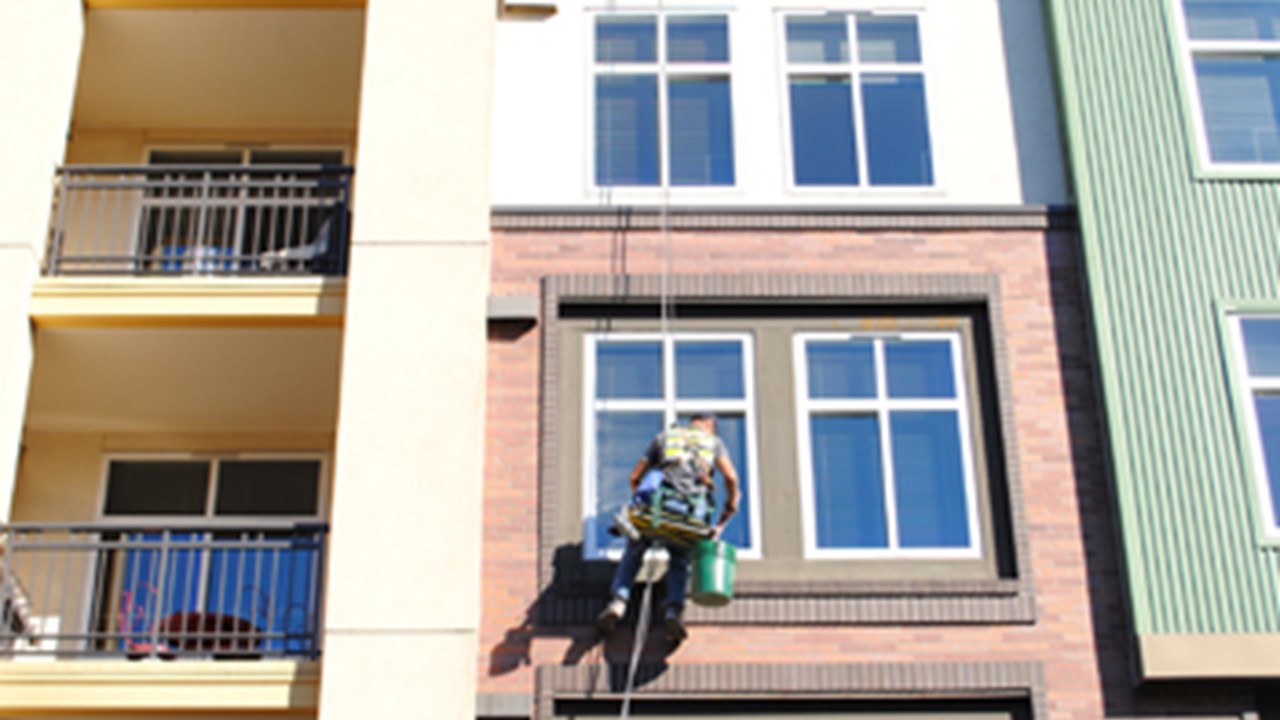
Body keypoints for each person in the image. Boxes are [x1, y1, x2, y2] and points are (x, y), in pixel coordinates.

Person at [595, 413, 740, 642]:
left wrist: (641, 507)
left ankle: (618, 602)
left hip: (657, 510)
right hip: (689, 516)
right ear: (710, 426)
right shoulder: (714, 443)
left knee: (634, 550)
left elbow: (634, 477)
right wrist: (730, 506)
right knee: (680, 558)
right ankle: (673, 609)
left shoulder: (664, 437)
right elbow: (731, 478)